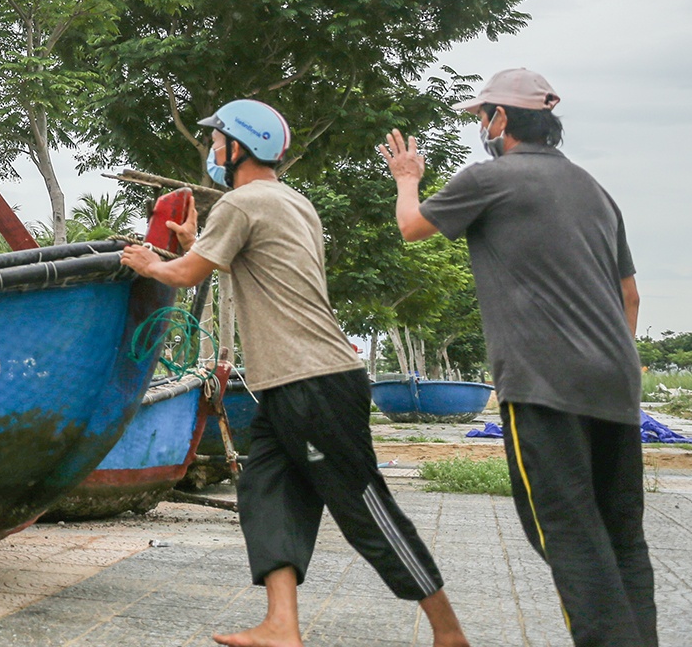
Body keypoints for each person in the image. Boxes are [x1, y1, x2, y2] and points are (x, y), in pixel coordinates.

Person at [123, 99, 468, 647]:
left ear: (239, 147)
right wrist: (195, 244)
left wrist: (152, 262)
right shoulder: (291, 201)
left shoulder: (240, 203)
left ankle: (449, 632)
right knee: (266, 490)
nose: (212, 151)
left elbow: (187, 276)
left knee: (361, 505)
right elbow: (254, 263)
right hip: (290, 385)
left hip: (313, 382)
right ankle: (281, 625)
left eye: (217, 141)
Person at [384, 68, 655, 646]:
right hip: (616, 384)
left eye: (481, 117)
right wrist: (609, 365)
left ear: (501, 119)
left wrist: (407, 178)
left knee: (567, 534)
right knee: (621, 536)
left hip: (543, 383)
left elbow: (411, 227)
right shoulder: (594, 189)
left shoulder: (490, 178)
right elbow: (629, 294)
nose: (479, 128)